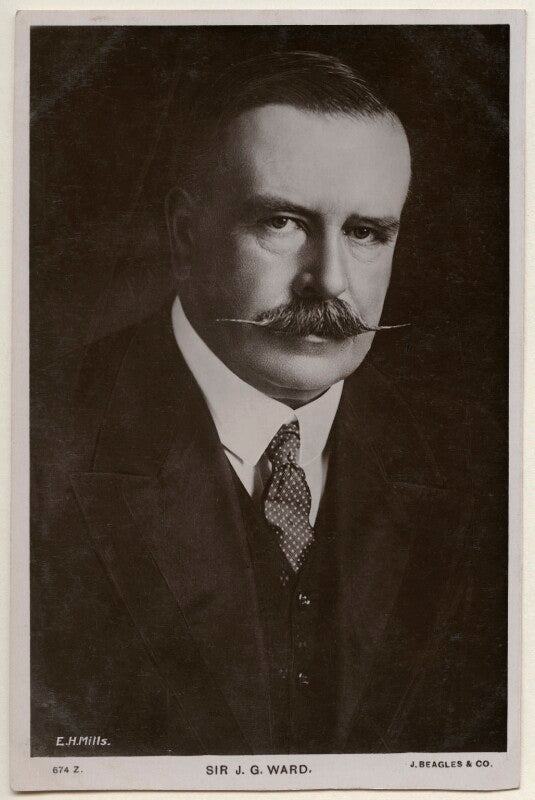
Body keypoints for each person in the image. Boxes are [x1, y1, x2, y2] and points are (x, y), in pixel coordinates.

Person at [31, 51, 507, 756]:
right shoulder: (35, 441)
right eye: (282, 223)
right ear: (185, 236)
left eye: (366, 233)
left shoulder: (483, 460)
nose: (330, 282)